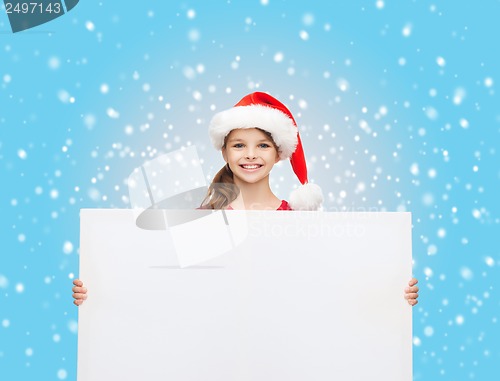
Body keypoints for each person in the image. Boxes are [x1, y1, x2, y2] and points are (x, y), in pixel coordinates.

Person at [72, 91, 419, 305]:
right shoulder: (201, 219)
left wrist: (391, 294)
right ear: (224, 150)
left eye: (262, 145)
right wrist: (101, 292)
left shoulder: (299, 222)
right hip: (213, 357)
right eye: (239, 145)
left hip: (281, 355)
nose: (250, 155)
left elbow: (331, 286)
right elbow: (164, 287)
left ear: (279, 152)